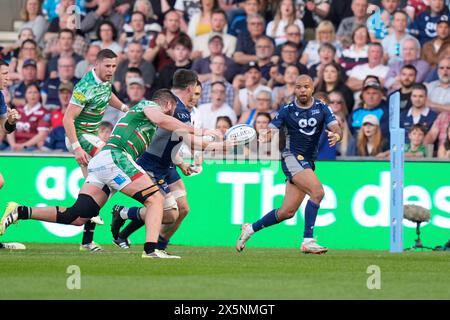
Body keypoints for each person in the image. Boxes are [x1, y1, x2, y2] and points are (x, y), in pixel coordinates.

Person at [0, 89, 206, 259]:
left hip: (103, 161)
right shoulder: (149, 106)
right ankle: (151, 250)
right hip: (116, 157)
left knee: (78, 215)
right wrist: (192, 129)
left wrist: (212, 145)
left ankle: (21, 211)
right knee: (155, 199)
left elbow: (172, 140)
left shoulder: (144, 124)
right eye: (172, 111)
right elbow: (161, 119)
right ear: (168, 105)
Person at [109, 70, 229, 252]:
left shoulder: (174, 104)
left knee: (183, 208)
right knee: (169, 213)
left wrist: (181, 163)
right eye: (195, 92)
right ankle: (124, 213)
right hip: (150, 164)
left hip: (168, 163)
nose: (196, 97)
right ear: (190, 88)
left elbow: (169, 140)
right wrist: (226, 145)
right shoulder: (177, 109)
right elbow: (195, 145)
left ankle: (158, 245)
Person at [236, 75, 342, 254]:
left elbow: (336, 127)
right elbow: (271, 129)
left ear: (312, 89)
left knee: (287, 212)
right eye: (299, 87)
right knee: (318, 192)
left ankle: (250, 228)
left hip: (307, 161)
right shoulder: (287, 110)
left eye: (306, 87)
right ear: (294, 89)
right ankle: (308, 240)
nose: (302, 90)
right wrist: (266, 135)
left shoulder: (322, 108)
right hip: (291, 157)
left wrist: (337, 135)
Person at [62, 49, 131, 252]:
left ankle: (87, 240)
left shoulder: (105, 82)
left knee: (96, 187)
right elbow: (68, 119)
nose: (111, 70)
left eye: (113, 66)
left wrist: (125, 109)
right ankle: (97, 212)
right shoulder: (85, 86)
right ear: (97, 64)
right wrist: (76, 148)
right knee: (112, 161)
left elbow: (107, 95)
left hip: (92, 136)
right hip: (80, 136)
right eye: (107, 66)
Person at [6, 83, 50, 151]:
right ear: (25, 95)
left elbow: (42, 135)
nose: (32, 95)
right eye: (30, 92)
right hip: (14, 146)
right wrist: (13, 144)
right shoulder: (18, 109)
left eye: (35, 92)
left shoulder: (44, 112)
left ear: (39, 95)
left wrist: (23, 146)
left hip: (31, 147)